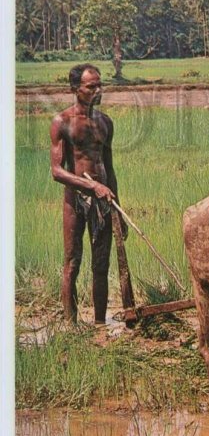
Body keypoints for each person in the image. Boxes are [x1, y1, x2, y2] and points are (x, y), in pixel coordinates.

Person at [50, 64, 124, 324]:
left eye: (99, 85)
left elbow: (110, 169)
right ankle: (71, 327)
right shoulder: (62, 122)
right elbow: (57, 172)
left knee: (101, 265)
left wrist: (118, 209)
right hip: (76, 199)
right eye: (91, 86)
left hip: (103, 200)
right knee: (72, 263)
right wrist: (91, 186)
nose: (97, 90)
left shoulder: (105, 123)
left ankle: (100, 325)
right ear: (75, 89)